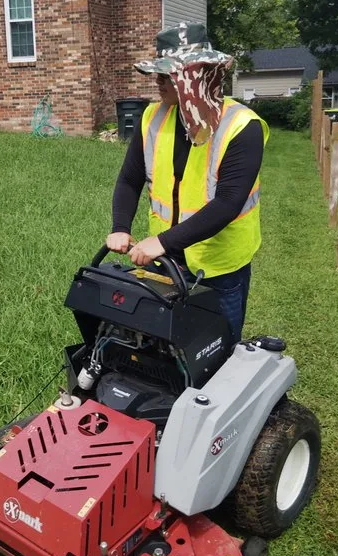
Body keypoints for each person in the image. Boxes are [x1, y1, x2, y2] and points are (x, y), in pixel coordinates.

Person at [107, 23, 269, 343]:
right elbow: (129, 179)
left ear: (197, 76)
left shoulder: (242, 127)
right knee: (161, 346)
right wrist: (120, 226)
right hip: (165, 262)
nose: (158, 81)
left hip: (219, 267)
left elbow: (227, 203)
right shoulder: (153, 117)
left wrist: (163, 241)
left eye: (168, 75)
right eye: (159, 73)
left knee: (215, 350)